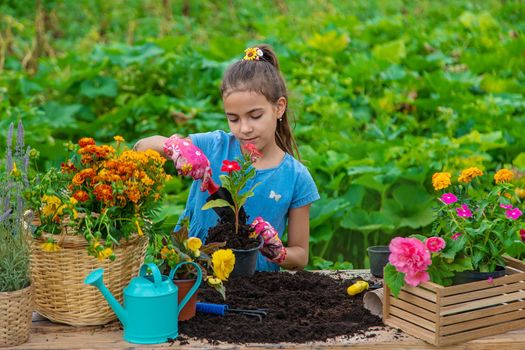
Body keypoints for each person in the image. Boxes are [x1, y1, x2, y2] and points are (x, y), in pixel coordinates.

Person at [134, 44, 319, 271]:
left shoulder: (296, 177)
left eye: (255, 116)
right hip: (192, 274)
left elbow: (300, 256)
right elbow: (141, 147)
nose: (244, 128)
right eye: (233, 119)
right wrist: (176, 147)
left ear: (279, 108)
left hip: (256, 287)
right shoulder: (213, 146)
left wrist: (278, 252)